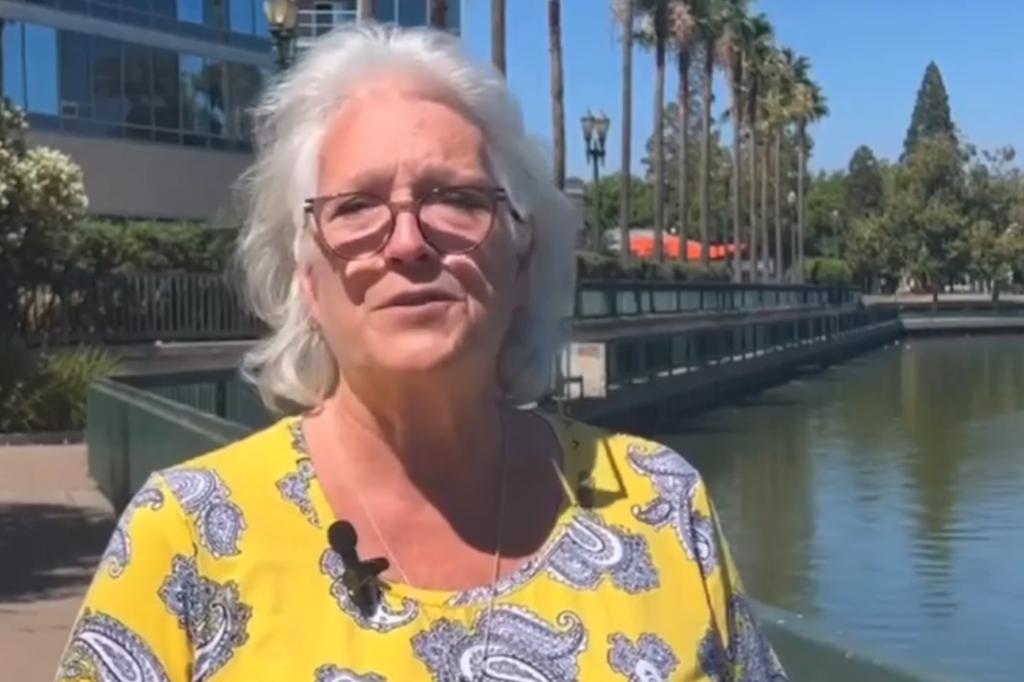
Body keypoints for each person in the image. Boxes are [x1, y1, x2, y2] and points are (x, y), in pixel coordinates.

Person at [55, 25, 785, 682]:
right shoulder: (185, 538)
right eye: (357, 208)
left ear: (524, 257)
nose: (407, 243)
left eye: (456, 199)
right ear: (310, 279)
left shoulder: (660, 504)